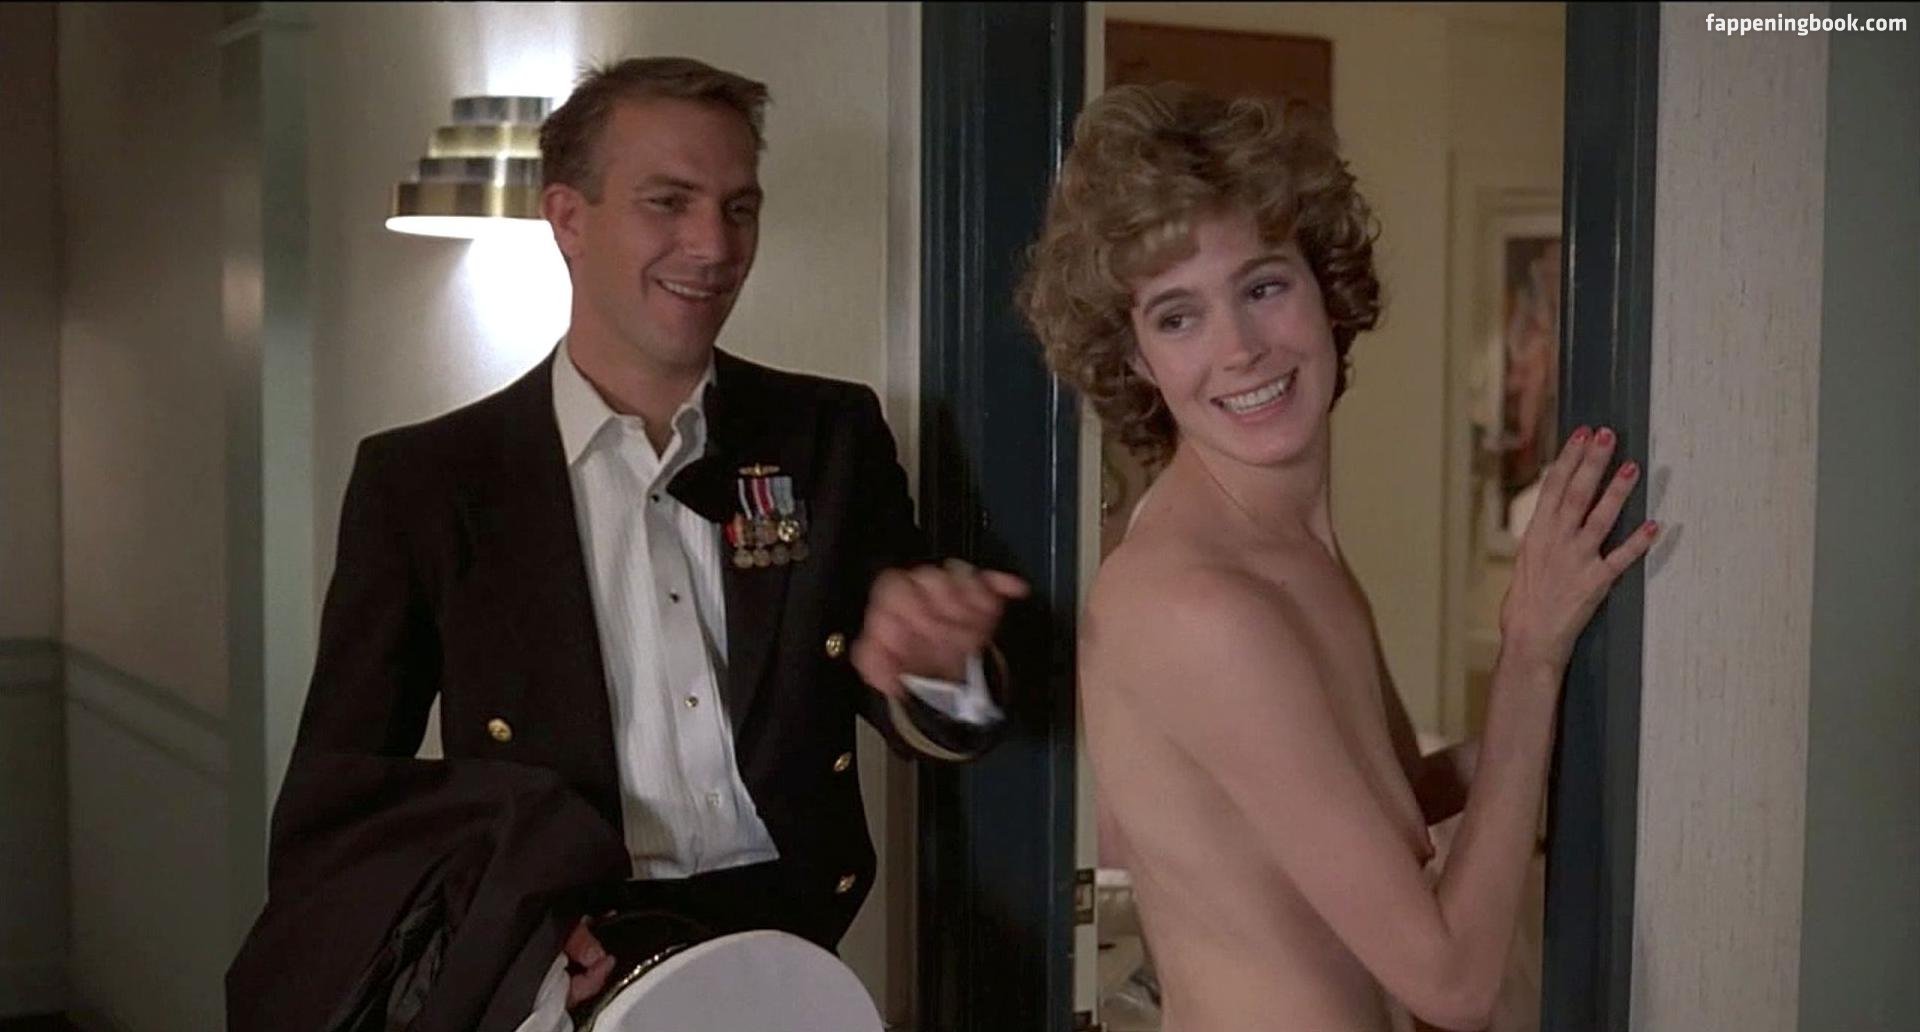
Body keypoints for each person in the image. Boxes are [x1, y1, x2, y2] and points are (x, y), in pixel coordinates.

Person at [233, 56, 1027, 1030]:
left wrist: (940, 666)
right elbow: (346, 794)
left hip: (793, 950)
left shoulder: (827, 434)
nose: (714, 245)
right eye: (669, 202)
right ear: (567, 218)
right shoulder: (429, 480)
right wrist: (505, 925)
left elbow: (911, 690)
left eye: (739, 208)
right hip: (563, 963)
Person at [1018, 83, 1658, 1032]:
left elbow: (1357, 810)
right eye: (1178, 317)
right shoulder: (1199, 603)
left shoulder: (1278, 544)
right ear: (1138, 358)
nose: (1240, 349)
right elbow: (1452, 983)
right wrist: (1529, 653)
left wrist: (1568, 720)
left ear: (1324, 284)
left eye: (1262, 287)